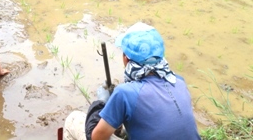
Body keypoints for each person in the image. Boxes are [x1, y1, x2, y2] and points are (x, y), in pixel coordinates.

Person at [63, 22, 201, 140]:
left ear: (125, 59)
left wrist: (101, 104)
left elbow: (95, 137)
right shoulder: (179, 82)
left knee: (73, 119)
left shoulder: (124, 93)